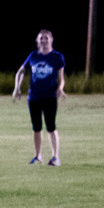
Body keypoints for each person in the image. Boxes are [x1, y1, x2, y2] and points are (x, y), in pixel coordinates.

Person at [12, 29, 66, 165]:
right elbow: (21, 72)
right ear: (37, 40)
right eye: (41, 38)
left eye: (46, 38)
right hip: (34, 97)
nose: (43, 40)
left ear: (51, 40)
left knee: (51, 127)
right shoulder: (33, 56)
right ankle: (38, 156)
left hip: (50, 97)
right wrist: (16, 88)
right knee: (36, 128)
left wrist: (60, 88)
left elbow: (62, 78)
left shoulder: (57, 57)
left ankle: (55, 157)